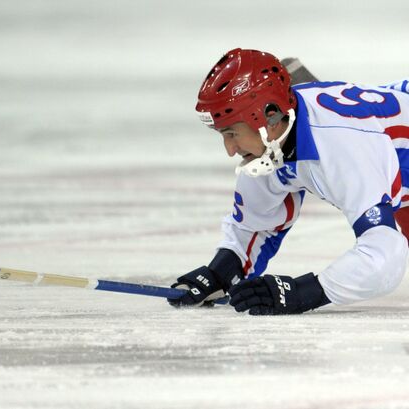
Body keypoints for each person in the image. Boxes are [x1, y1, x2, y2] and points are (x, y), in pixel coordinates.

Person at [168, 48, 409, 315]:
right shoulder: (273, 139)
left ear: (269, 117)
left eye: (232, 133)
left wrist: (303, 293)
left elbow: (384, 256)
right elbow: (256, 225)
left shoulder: (343, 148)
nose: (229, 149)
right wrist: (220, 273)